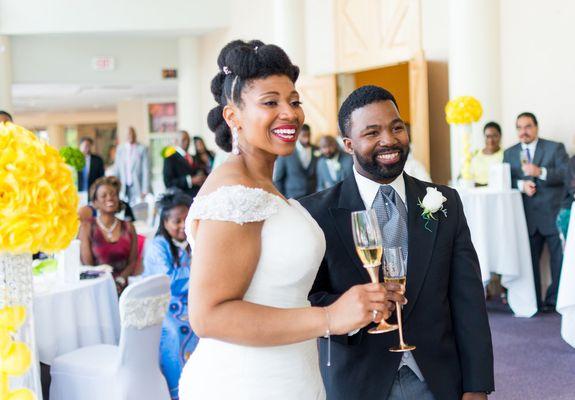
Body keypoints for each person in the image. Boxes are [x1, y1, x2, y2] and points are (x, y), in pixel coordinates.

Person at [178, 40, 404, 400]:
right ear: (233, 116)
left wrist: (360, 299)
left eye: (294, 101)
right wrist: (330, 318)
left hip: (290, 371)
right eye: (270, 102)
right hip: (246, 383)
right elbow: (208, 316)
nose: (290, 113)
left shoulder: (261, 184)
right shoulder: (236, 194)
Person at [300, 85, 494, 400]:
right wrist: (349, 310)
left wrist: (477, 384)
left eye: (396, 127)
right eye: (372, 132)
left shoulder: (445, 202)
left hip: (437, 378)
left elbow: (468, 301)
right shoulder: (315, 213)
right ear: (349, 144)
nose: (389, 140)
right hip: (359, 381)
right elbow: (307, 299)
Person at [503, 112, 569, 312]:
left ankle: (555, 302)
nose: (524, 131)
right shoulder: (510, 153)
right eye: (519, 127)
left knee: (560, 263)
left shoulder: (554, 148)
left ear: (536, 127)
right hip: (526, 217)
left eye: (528, 126)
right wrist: (521, 185)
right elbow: (505, 180)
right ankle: (533, 303)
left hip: (553, 214)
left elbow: (566, 174)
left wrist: (541, 172)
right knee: (529, 263)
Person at [143, 191, 198, 400]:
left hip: (191, 299)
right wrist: (201, 272)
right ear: (165, 222)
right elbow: (169, 280)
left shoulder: (195, 240)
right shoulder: (158, 246)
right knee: (177, 331)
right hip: (164, 302)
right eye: (177, 221)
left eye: (187, 219)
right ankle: (178, 390)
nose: (183, 225)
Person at [79, 176, 138, 294]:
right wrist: (107, 284)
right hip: (96, 287)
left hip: (124, 287)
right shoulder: (87, 227)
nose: (110, 198)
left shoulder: (129, 227)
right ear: (95, 203)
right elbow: (88, 265)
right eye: (104, 195)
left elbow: (132, 262)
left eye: (113, 194)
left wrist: (120, 281)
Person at [273, 123, 318, 198]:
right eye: (304, 136)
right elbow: (278, 178)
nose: (306, 139)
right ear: (297, 135)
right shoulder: (286, 151)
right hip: (292, 196)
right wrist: (283, 198)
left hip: (312, 196)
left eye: (308, 136)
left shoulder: (316, 149)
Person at [163, 130, 206, 199]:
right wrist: (190, 180)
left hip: (198, 196)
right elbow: (168, 183)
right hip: (182, 199)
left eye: (188, 139)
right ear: (176, 141)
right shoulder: (170, 158)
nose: (187, 142)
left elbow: (197, 170)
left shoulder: (193, 157)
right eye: (184, 139)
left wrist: (200, 174)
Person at [115, 127, 150, 204]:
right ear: (125, 136)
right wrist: (115, 187)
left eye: (132, 133)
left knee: (139, 210)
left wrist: (145, 189)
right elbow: (117, 169)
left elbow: (146, 170)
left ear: (135, 134)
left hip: (138, 186)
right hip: (124, 186)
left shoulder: (142, 148)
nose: (130, 135)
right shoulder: (120, 149)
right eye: (128, 134)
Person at [470, 122, 504, 186]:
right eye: (488, 136)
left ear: (500, 136)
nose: (491, 140)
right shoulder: (475, 154)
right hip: (476, 193)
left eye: (494, 136)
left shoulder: (506, 155)